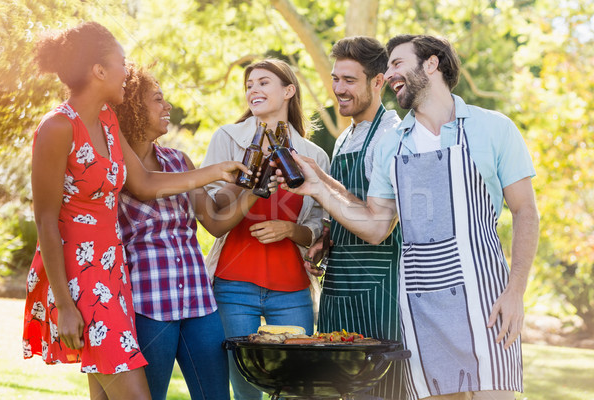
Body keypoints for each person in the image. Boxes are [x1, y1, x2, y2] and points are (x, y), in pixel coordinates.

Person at [278, 34, 539, 400]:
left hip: (487, 300)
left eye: (397, 63)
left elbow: (525, 211)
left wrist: (515, 292)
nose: (389, 73)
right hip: (419, 305)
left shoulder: (493, 128)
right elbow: (376, 226)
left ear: (431, 64)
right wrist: (318, 189)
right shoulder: (394, 143)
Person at [22, 22, 247, 400]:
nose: (127, 71)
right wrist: (64, 304)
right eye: (121, 62)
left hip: (114, 271)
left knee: (106, 394)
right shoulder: (58, 126)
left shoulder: (107, 121)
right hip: (79, 276)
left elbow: (144, 183)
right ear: (98, 70)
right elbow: (45, 220)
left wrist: (216, 170)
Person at [114, 64, 264, 399]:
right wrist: (214, 173)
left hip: (198, 302)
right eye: (158, 100)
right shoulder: (117, 168)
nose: (167, 107)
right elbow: (145, 187)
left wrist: (255, 191)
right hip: (148, 304)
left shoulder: (179, 161)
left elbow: (212, 221)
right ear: (134, 109)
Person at [200, 58, 330, 400]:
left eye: (263, 82)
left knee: (295, 385)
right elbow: (209, 202)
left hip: (292, 288)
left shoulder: (313, 155)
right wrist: (247, 187)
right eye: (248, 85)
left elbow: (318, 225)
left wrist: (289, 230)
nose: (253, 90)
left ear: (289, 90)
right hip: (233, 284)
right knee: (245, 386)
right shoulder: (227, 138)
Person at [302, 36, 405, 400]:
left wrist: (317, 187)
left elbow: (380, 224)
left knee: (377, 392)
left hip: (379, 287)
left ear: (378, 82)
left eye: (349, 80)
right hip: (339, 282)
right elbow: (348, 201)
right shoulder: (346, 135)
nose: (338, 89)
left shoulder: (391, 135)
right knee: (330, 386)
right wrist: (326, 238)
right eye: (335, 78)